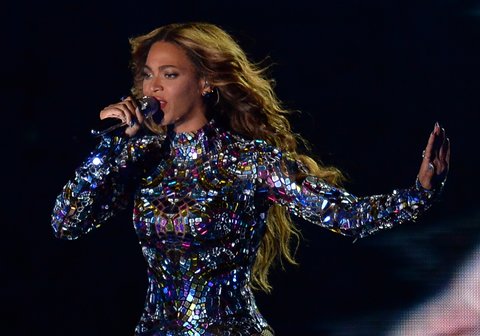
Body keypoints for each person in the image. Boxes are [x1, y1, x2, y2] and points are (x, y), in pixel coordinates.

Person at [51, 22, 450, 336]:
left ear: (206, 83)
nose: (152, 87)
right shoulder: (138, 158)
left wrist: (419, 194)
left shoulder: (247, 161)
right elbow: (66, 223)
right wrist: (108, 149)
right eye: (148, 74)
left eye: (169, 74)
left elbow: (344, 216)